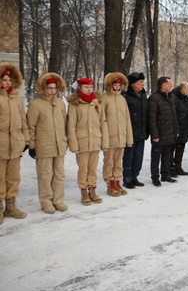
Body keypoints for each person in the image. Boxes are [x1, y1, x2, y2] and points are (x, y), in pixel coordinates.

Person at [27, 72, 68, 214]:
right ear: (44, 88)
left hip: (59, 145)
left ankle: (58, 200)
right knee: (45, 175)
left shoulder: (61, 104)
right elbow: (31, 127)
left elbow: (64, 123)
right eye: (49, 88)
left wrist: (65, 140)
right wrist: (32, 145)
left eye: (54, 88)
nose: (52, 91)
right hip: (43, 145)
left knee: (59, 174)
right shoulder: (35, 105)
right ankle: (46, 201)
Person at [67, 77, 109, 205]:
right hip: (82, 142)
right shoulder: (75, 104)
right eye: (86, 87)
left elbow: (103, 123)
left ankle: (92, 190)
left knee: (92, 168)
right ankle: (84, 191)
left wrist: (104, 142)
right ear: (79, 88)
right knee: (83, 169)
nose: (89, 89)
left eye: (91, 87)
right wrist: (74, 144)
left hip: (95, 141)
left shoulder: (97, 103)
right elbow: (71, 126)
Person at [0, 63, 29, 223]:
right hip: (1, 143)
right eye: (4, 79)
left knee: (13, 177)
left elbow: (23, 120)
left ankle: (10, 207)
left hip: (15, 144)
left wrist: (26, 139)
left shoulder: (17, 98)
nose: (7, 83)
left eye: (9, 80)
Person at [102, 72, 133, 196]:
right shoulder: (104, 99)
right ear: (109, 85)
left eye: (119, 85)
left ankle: (117, 181)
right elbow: (102, 119)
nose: (117, 87)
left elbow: (127, 119)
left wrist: (128, 137)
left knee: (118, 162)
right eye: (115, 84)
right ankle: (110, 183)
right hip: (109, 136)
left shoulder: (122, 99)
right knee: (109, 162)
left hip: (121, 136)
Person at [148, 76, 178, 186]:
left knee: (167, 155)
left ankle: (166, 174)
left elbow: (174, 116)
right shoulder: (154, 98)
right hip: (159, 133)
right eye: (169, 84)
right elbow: (152, 118)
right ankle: (155, 177)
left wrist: (176, 130)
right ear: (163, 85)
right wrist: (155, 134)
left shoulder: (170, 97)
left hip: (169, 132)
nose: (171, 86)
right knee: (156, 157)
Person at [122, 72, 149, 188]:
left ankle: (134, 176)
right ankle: (127, 178)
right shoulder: (126, 97)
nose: (142, 84)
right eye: (140, 82)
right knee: (129, 156)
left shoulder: (143, 95)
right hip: (130, 132)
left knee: (138, 157)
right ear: (132, 84)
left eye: (143, 82)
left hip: (141, 131)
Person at [170, 81, 188, 176]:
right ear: (182, 89)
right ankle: (171, 167)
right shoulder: (174, 98)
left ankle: (178, 166)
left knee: (180, 149)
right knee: (172, 150)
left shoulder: (186, 98)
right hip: (176, 128)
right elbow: (174, 114)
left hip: (184, 127)